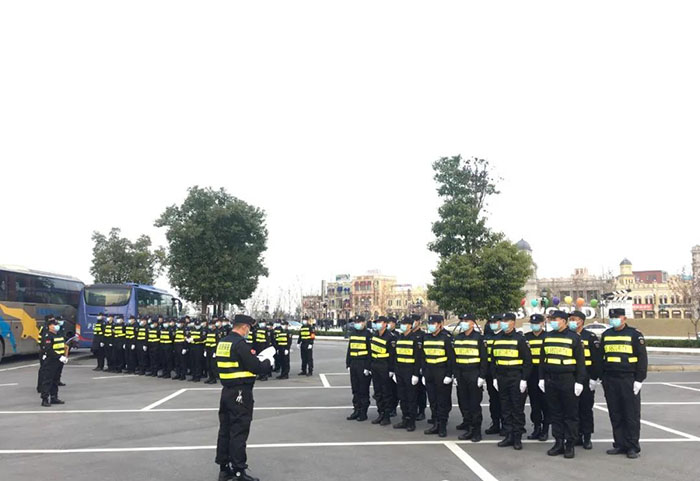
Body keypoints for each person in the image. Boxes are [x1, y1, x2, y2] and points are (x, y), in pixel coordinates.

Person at [215, 314, 275, 481]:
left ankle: (224, 468)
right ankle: (239, 470)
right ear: (244, 327)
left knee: (225, 430)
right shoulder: (241, 344)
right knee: (239, 431)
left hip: (227, 391)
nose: (249, 331)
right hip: (240, 392)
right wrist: (268, 362)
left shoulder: (223, 342)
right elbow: (255, 367)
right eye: (249, 328)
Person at [601, 308, 648, 459]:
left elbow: (642, 359)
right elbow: (601, 357)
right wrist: (602, 378)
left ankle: (632, 446)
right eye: (612, 317)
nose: (613, 319)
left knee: (630, 414)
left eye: (617, 317)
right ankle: (620, 444)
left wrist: (639, 380)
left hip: (628, 379)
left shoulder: (634, 335)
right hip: (610, 379)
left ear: (624, 318)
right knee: (615, 413)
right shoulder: (606, 335)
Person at [540, 310, 586, 459]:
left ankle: (570, 444)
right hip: (551, 380)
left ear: (564, 321)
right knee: (555, 413)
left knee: (570, 414)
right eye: (551, 319)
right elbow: (542, 360)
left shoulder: (574, 338)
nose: (553, 322)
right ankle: (558, 442)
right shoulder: (547, 337)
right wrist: (541, 379)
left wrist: (579, 382)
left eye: (556, 319)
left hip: (568, 380)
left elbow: (581, 363)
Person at [491, 312, 532, 450]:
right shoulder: (497, 339)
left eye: (506, 321)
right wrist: (495, 378)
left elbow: (527, 361)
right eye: (502, 321)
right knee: (505, 408)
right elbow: (493, 360)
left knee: (517, 409)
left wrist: (524, 379)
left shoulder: (520, 339)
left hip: (516, 377)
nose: (503, 323)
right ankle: (508, 436)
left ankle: (517, 437)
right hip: (502, 377)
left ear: (513, 323)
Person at [570, 310, 602, 450]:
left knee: (586, 408)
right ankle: (576, 435)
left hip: (587, 377)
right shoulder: (568, 335)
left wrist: (594, 378)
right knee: (573, 409)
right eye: (570, 319)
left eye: (574, 319)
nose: (572, 321)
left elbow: (597, 360)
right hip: (572, 377)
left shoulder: (590, 337)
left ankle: (587, 436)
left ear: (581, 321)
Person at [454, 314, 487, 443]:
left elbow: (484, 359)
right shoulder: (458, 338)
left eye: (466, 321)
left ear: (473, 323)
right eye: (462, 320)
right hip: (461, 374)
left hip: (474, 374)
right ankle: (468, 426)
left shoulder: (479, 338)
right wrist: (456, 375)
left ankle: (476, 431)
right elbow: (455, 358)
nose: (463, 322)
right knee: (464, 402)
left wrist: (482, 376)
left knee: (474, 404)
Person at [422, 314, 455, 438]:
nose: (431, 326)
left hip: (442, 373)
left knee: (442, 401)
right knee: (433, 400)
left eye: (433, 324)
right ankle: (435, 423)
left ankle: (442, 426)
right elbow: (423, 357)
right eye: (429, 324)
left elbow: (451, 358)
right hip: (430, 373)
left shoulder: (446, 338)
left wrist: (449, 374)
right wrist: (424, 373)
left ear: (440, 325)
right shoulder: (426, 338)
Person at [393, 316, 423, 432]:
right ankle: (404, 418)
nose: (402, 326)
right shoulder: (400, 338)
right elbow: (396, 356)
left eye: (405, 324)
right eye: (402, 324)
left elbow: (418, 358)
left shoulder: (414, 339)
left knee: (411, 398)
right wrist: (395, 372)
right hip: (400, 371)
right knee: (402, 397)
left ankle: (411, 421)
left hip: (410, 372)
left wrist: (416, 374)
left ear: (410, 326)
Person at [524, 314, 549, 442]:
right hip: (531, 373)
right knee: (534, 403)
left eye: (537, 323)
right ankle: (537, 427)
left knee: (546, 403)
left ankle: (545, 429)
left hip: (545, 373)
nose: (534, 325)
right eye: (532, 323)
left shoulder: (548, 337)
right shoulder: (526, 337)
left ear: (543, 323)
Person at [369, 316, 396, 426]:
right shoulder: (375, 335)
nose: (378, 324)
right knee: (378, 392)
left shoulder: (390, 337)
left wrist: (391, 370)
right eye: (377, 322)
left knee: (386, 393)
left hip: (385, 367)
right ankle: (380, 413)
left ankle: (386, 416)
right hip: (375, 366)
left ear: (385, 324)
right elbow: (371, 351)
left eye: (380, 322)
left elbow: (393, 355)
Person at [346, 315, 373, 422]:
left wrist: (368, 367)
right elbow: (350, 349)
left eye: (359, 322)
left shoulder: (368, 334)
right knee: (355, 389)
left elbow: (370, 352)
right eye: (356, 322)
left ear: (364, 322)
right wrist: (348, 363)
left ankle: (363, 412)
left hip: (363, 364)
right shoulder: (353, 333)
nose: (357, 324)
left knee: (363, 389)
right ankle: (356, 410)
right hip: (354, 364)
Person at [38, 317, 68, 407]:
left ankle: (54, 397)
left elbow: (62, 346)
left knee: (55, 380)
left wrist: (64, 356)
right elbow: (48, 350)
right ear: (50, 326)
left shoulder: (58, 334)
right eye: (54, 325)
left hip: (59, 361)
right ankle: (45, 399)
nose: (56, 326)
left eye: (56, 324)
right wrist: (59, 357)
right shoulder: (48, 336)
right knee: (48, 380)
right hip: (51, 361)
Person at [484, 314, 503, 435]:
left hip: (503, 372)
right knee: (493, 399)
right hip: (490, 373)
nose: (493, 324)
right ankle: (495, 423)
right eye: (491, 322)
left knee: (504, 400)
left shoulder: (505, 336)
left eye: (495, 322)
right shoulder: (487, 337)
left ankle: (506, 425)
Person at [411, 314, 427, 421]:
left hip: (420, 367)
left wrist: (422, 367)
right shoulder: (408, 335)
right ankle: (413, 410)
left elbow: (424, 353)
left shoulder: (423, 335)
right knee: (411, 391)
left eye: (414, 321)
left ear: (418, 322)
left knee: (421, 391)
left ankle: (421, 411)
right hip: (409, 367)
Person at [189, 318, 206, 382]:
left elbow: (203, 338)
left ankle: (198, 376)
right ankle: (193, 376)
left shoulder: (203, 330)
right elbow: (189, 335)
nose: (197, 326)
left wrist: (194, 339)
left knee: (198, 362)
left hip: (199, 347)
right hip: (192, 346)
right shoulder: (192, 329)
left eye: (198, 325)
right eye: (196, 325)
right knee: (192, 362)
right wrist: (188, 339)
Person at [205, 318, 220, 384]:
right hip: (208, 349)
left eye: (212, 324)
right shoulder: (208, 331)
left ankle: (214, 379)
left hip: (213, 350)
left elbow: (218, 342)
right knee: (208, 365)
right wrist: (205, 350)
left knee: (213, 365)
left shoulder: (217, 332)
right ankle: (210, 377)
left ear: (214, 325)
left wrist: (215, 352)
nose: (210, 326)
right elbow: (206, 341)